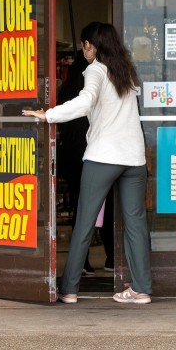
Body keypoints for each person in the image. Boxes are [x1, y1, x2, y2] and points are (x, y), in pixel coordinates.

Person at [23, 21, 152, 304]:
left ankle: (69, 289)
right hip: (133, 158)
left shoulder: (95, 70)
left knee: (84, 223)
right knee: (135, 224)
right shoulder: (126, 72)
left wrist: (48, 115)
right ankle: (141, 289)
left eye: (84, 45)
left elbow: (84, 102)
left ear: (90, 45)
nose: (84, 50)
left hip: (103, 156)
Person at [56, 51, 114, 275]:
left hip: (72, 157)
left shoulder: (67, 90)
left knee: (82, 209)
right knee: (107, 206)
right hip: (96, 154)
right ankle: (111, 256)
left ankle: (82, 261)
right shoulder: (97, 86)